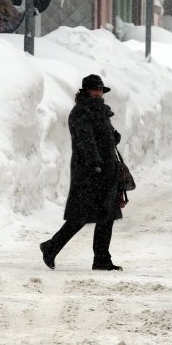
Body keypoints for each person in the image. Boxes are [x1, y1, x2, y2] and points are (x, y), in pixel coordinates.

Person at [40, 74, 124, 271]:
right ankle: (51, 247)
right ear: (86, 91)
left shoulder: (101, 111)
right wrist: (95, 164)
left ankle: (102, 259)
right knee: (80, 216)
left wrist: (113, 137)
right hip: (89, 172)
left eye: (100, 89)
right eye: (94, 89)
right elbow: (85, 141)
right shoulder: (80, 112)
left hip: (106, 170)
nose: (98, 92)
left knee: (107, 215)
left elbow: (103, 138)